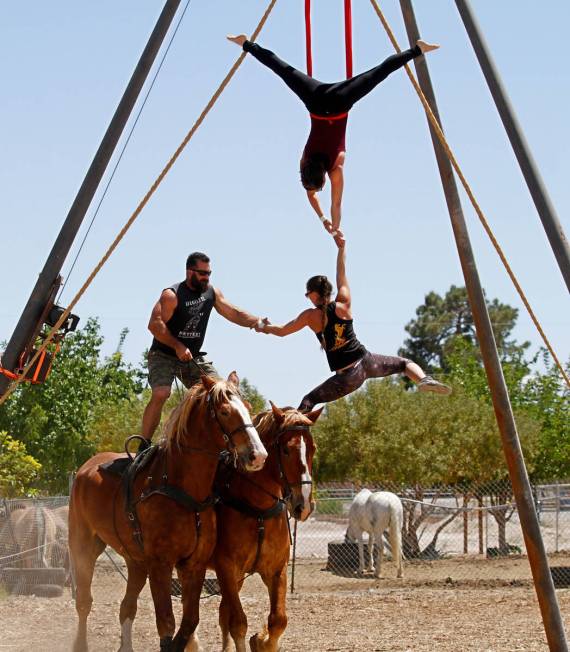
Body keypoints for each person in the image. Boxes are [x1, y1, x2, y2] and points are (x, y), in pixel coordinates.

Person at [227, 35, 439, 243]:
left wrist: (335, 227)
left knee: (377, 74)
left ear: (324, 177)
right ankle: (245, 43)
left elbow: (336, 205)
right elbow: (311, 195)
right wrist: (324, 221)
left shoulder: (336, 168)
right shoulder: (305, 162)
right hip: (316, 100)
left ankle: (417, 49)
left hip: (340, 102)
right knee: (282, 69)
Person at [255, 234, 451, 411]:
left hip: (347, 377)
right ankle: (424, 379)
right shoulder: (344, 303)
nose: (307, 298)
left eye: (308, 294)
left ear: (314, 294)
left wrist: (264, 327)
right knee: (403, 363)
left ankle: (290, 432)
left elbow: (281, 331)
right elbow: (342, 274)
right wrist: (341, 249)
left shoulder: (309, 317)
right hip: (367, 362)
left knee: (309, 400)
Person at [141, 251, 266, 445]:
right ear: (189, 272)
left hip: (193, 357)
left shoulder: (211, 293)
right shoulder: (171, 295)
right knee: (161, 393)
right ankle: (144, 443)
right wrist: (177, 345)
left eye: (209, 273)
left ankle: (224, 443)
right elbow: (154, 325)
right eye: (202, 273)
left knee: (221, 393)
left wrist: (257, 322)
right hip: (164, 354)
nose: (206, 277)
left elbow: (232, 312)